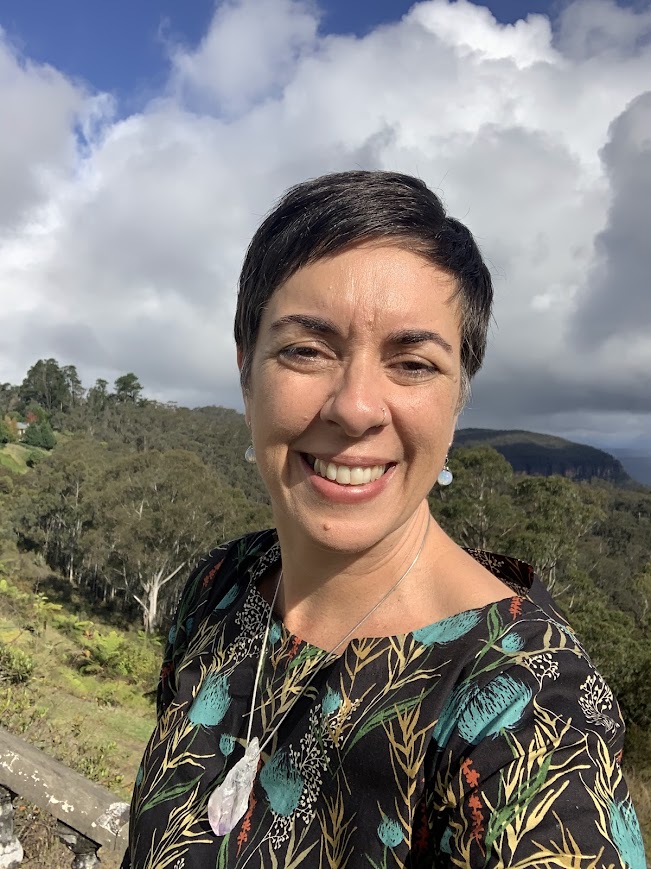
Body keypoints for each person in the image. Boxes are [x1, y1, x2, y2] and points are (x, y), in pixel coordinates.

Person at [121, 171, 645, 869]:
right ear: (246, 368)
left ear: (457, 398)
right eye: (306, 349)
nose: (355, 406)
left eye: (411, 361)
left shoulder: (529, 706)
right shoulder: (221, 587)